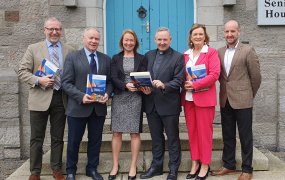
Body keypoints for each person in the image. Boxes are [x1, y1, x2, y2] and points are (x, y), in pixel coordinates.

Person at [18, 17, 74, 180]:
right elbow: (22, 71)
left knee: (58, 137)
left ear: (61, 31)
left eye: (57, 29)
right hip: (39, 98)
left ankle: (56, 168)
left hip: (61, 98)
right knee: (37, 138)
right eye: (50, 29)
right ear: (44, 30)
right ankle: (35, 171)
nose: (54, 32)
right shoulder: (33, 48)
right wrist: (38, 80)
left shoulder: (69, 49)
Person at [211, 20, 261, 180]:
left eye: (232, 31)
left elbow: (256, 77)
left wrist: (248, 94)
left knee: (245, 136)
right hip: (226, 99)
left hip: (244, 100)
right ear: (224, 33)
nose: (229, 34)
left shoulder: (248, 50)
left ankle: (247, 169)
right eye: (227, 32)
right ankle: (229, 165)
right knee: (228, 134)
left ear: (239, 32)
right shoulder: (218, 52)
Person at [62, 28, 113, 180]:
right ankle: (71, 170)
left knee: (95, 141)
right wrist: (81, 96)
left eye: (97, 39)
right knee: (73, 141)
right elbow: (66, 83)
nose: (93, 41)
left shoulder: (105, 59)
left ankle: (92, 169)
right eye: (91, 38)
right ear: (84, 38)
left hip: (98, 108)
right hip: (78, 107)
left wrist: (107, 94)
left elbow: (109, 82)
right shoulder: (72, 57)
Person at [140, 27, 185, 180]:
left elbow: (179, 81)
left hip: (169, 104)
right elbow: (143, 76)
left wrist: (164, 85)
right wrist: (144, 88)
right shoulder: (148, 55)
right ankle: (157, 167)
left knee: (172, 138)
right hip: (151, 104)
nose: (162, 42)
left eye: (165, 39)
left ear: (170, 40)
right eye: (159, 39)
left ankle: (173, 169)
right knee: (156, 138)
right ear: (155, 40)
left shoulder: (178, 57)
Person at [181, 24, 220, 180]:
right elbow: (180, 75)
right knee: (192, 133)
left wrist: (195, 85)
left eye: (200, 34)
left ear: (205, 36)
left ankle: (205, 164)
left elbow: (215, 74)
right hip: (189, 100)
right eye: (194, 34)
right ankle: (195, 163)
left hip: (204, 100)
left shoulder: (211, 53)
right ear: (190, 37)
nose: (197, 37)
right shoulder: (185, 54)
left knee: (205, 134)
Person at [109, 29, 147, 180]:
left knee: (134, 133)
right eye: (126, 40)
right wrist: (125, 85)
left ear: (135, 42)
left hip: (135, 98)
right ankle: (115, 165)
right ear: (122, 42)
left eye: (131, 40)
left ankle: (133, 165)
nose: (129, 43)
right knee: (116, 132)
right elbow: (112, 77)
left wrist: (137, 85)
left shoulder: (142, 58)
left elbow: (143, 75)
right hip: (119, 98)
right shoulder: (115, 58)